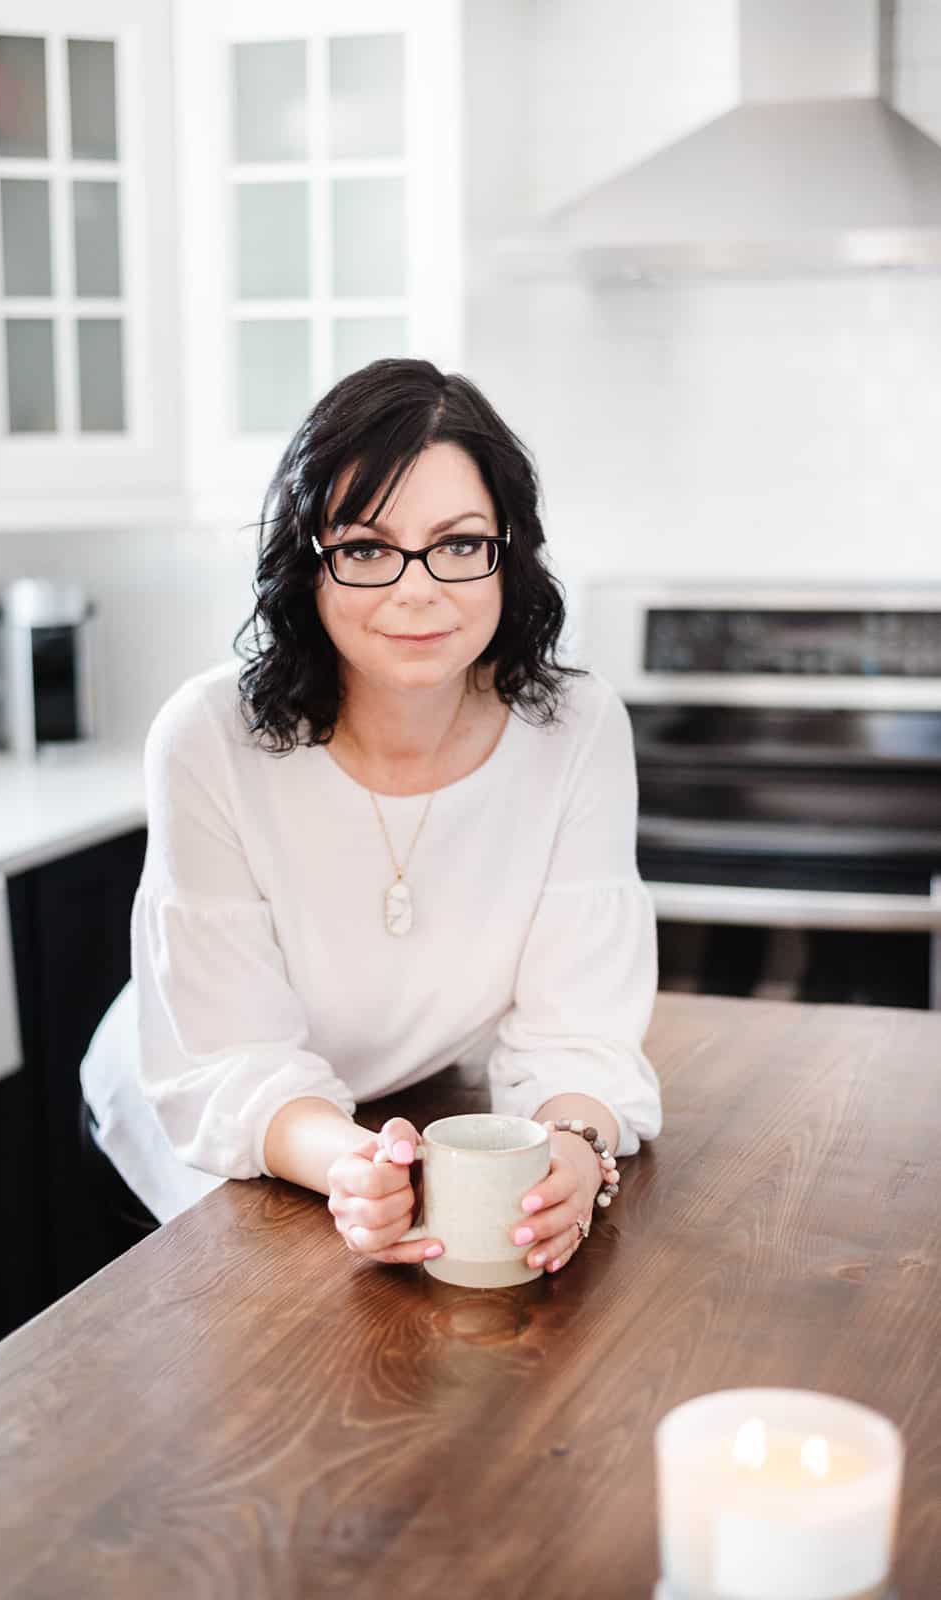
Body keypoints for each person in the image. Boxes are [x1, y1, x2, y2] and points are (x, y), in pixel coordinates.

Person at [80, 358, 661, 1276]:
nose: (417, 588)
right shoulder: (208, 738)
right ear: (306, 565)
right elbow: (229, 1056)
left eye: (460, 542)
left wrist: (577, 1151)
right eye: (364, 547)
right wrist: (354, 1163)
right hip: (217, 1115)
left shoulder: (578, 730)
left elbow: (575, 1030)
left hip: (413, 1102)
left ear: (512, 551)